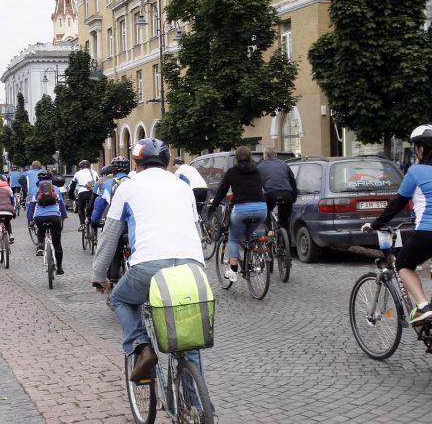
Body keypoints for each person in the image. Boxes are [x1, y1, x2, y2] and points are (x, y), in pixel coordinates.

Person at [92, 138, 205, 382]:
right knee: (189, 341)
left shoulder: (128, 187)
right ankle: (198, 413)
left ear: (138, 163)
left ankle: (142, 346)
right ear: (166, 162)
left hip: (148, 265)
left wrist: (99, 276)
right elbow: (197, 233)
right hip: (192, 266)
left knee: (120, 299)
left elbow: (109, 236)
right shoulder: (182, 187)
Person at [361, 125, 432, 324]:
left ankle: (422, 308)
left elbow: (398, 203)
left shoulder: (416, 171)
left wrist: (375, 224)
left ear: (421, 149)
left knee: (404, 264)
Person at [208, 146, 268, 283]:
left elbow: (222, 190)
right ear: (250, 157)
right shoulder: (257, 171)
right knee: (248, 235)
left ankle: (234, 271)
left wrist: (213, 206)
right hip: (261, 210)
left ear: (236, 157)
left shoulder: (232, 172)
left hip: (241, 210)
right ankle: (256, 252)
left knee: (234, 239)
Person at [27, 170, 68, 274]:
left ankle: (40, 245)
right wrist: (63, 216)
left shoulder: (35, 190)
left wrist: (30, 219)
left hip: (40, 217)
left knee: (41, 229)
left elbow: (31, 207)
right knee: (57, 243)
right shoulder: (56, 189)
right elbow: (61, 204)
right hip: (54, 216)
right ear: (50, 179)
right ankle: (59, 268)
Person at [258, 147, 298, 235]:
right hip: (287, 195)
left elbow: (256, 184)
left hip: (270, 194)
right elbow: (293, 181)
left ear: (265, 156)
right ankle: (286, 245)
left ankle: (269, 231)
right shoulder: (284, 164)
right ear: (275, 155)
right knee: (284, 223)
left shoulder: (260, 166)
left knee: (265, 210)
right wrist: (294, 197)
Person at [69, 160, 98, 231]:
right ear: (89, 166)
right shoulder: (94, 172)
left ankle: (82, 224)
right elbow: (98, 182)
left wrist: (71, 196)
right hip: (92, 192)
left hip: (82, 193)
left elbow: (72, 186)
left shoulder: (77, 173)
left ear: (80, 167)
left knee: (81, 208)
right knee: (93, 208)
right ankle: (94, 232)